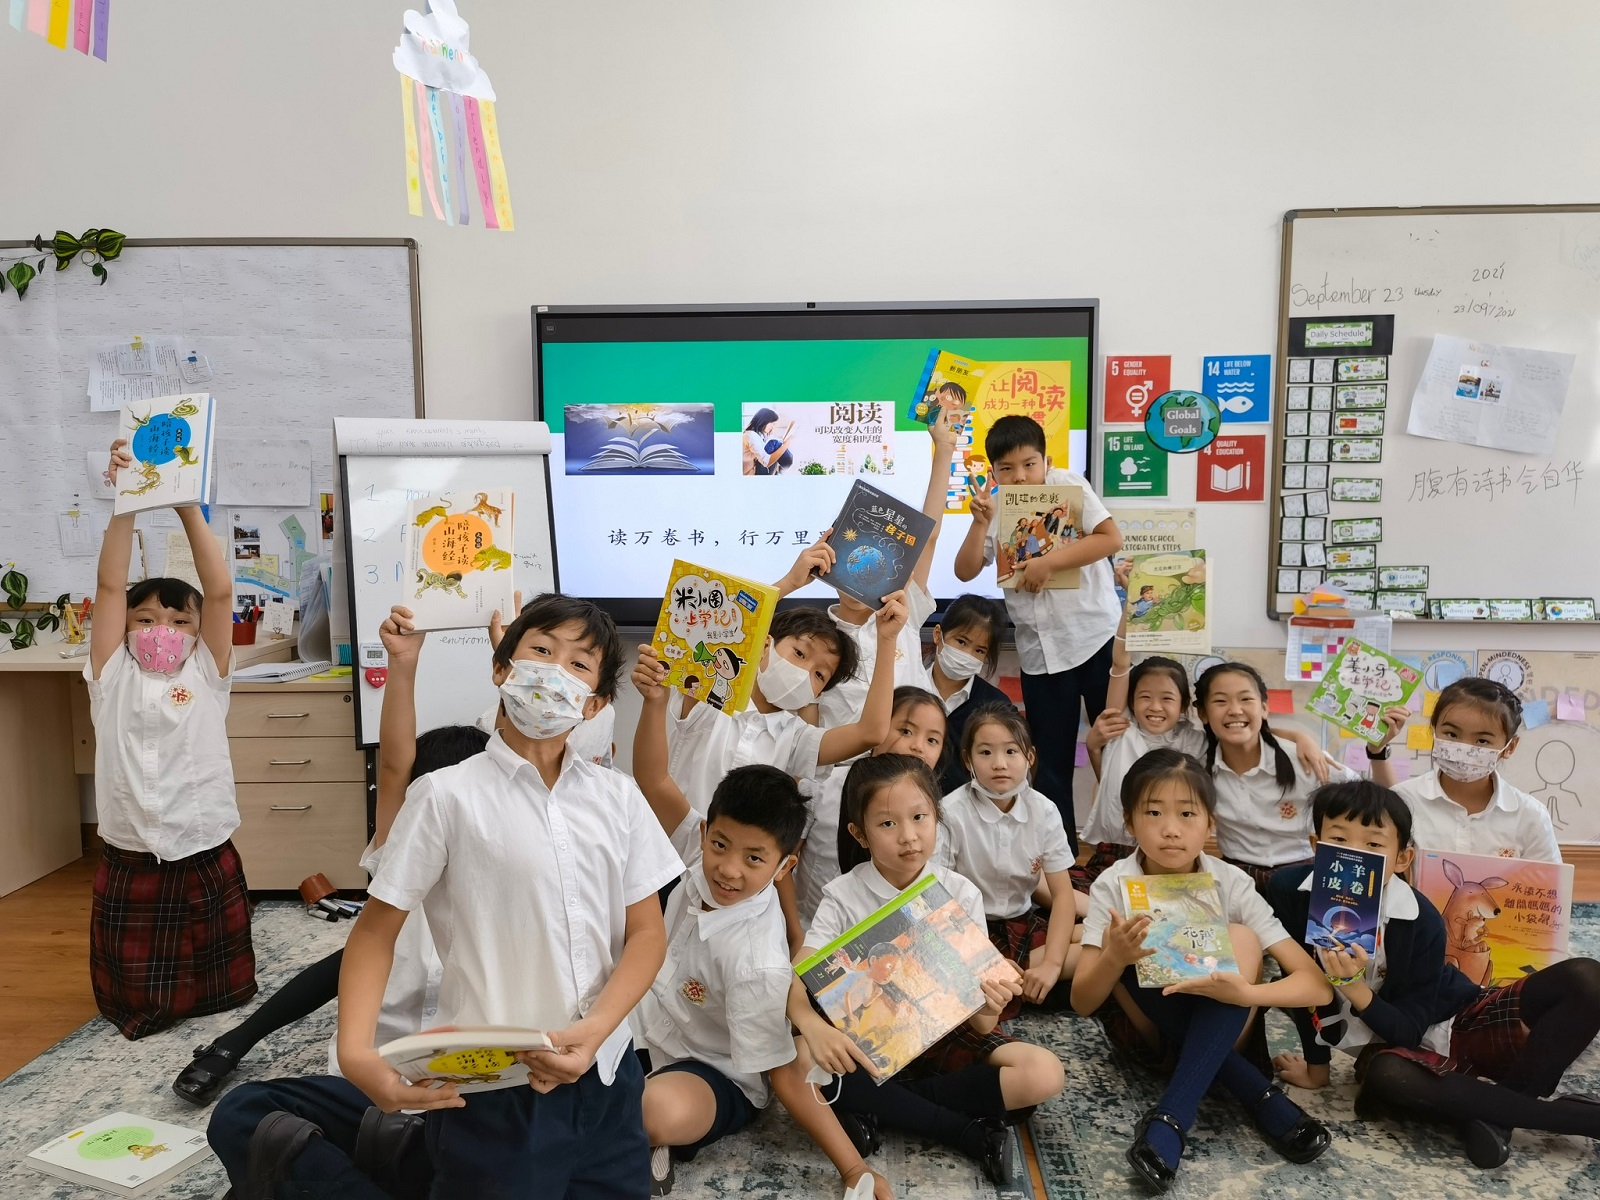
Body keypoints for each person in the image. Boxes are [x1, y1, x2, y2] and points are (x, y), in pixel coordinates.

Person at [239, 594, 683, 1197]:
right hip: (498, 1086)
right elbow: (374, 932)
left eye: (580, 665)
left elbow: (648, 934)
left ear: (596, 703)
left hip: (608, 1074)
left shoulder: (619, 797)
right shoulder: (446, 796)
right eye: (542, 651)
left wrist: (600, 1028)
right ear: (502, 669)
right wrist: (356, 1052)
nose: (556, 672)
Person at [184, 604, 486, 1107]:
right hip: (386, 1049)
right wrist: (402, 667)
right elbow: (394, 764)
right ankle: (233, 1044)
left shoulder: (507, 851)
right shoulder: (402, 844)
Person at [1268, 780, 1600, 1169]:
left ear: (1403, 857)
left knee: (1588, 978)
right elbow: (1306, 987)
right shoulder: (1291, 891)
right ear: (1316, 845)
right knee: (1388, 1074)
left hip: (1462, 1020)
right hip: (1389, 1054)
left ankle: (1497, 1111)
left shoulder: (1421, 919)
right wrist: (1317, 1068)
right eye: (1339, 840)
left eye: (1374, 845)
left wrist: (1353, 986)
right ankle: (1576, 1119)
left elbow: (1411, 1025)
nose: (1355, 856)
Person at [775, 755, 1065, 1186]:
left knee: (1044, 1075)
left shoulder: (959, 892)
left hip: (943, 1033)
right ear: (860, 834)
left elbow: (982, 1025)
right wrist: (810, 1025)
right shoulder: (843, 894)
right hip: (868, 1046)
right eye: (888, 824)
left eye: (919, 817)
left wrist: (991, 999)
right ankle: (962, 1129)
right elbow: (802, 971)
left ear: (937, 817)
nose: (909, 837)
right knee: (799, 1060)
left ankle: (881, 1110)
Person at [1071, 748, 1334, 1192]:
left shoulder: (1231, 882)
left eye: (1187, 813)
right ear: (1130, 822)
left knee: (1243, 937)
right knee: (1129, 942)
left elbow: (1317, 987)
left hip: (1230, 1030)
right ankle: (1256, 1094)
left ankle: (1171, 1115)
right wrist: (1115, 957)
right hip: (1152, 1036)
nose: (1171, 829)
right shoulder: (1113, 883)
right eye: (1153, 812)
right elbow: (1081, 1003)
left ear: (1210, 823)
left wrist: (1245, 995)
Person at [86, 438, 255, 1040]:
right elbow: (110, 587)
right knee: (139, 974)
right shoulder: (111, 674)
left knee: (216, 966)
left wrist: (185, 501)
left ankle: (215, 998)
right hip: (133, 843)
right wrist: (127, 498)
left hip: (200, 834)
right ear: (125, 627)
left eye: (180, 621)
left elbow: (220, 592)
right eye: (147, 620)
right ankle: (140, 1006)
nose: (165, 631)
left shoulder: (207, 671)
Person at [634, 596, 904, 950]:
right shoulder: (714, 695)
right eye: (800, 654)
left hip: (739, 883)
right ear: (766, 643)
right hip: (669, 857)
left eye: (820, 675)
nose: (806, 673)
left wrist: (887, 641)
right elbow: (725, 625)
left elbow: (871, 732)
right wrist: (790, 583)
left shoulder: (795, 739)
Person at [629, 763, 808, 1197]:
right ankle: (626, 1135)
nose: (728, 869)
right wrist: (654, 704)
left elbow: (780, 1074)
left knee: (651, 1112)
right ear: (706, 832)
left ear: (784, 867)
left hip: (715, 1073)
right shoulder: (698, 852)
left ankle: (644, 1138)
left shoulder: (757, 961)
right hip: (643, 1028)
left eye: (754, 859)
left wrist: (853, 1167)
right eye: (720, 845)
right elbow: (653, 780)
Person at [952, 414, 1124, 847]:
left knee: (1119, 748)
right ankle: (1060, 860)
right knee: (1049, 764)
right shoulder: (995, 505)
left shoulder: (1069, 486)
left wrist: (1049, 562)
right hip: (1040, 654)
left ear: (1046, 460)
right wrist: (978, 523)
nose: (1021, 477)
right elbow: (965, 569)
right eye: (1007, 469)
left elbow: (1109, 539)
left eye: (1030, 464)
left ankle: (1127, 847)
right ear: (993, 471)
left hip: (1095, 637)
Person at [1082, 638, 1328, 888]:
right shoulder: (1120, 728)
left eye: (1167, 698)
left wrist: (1299, 736)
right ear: (1132, 702)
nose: (1155, 706)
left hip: (1173, 851)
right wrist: (1131, 605)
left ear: (1184, 707)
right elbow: (1120, 663)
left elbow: (1240, 731)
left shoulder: (1194, 741)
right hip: (1117, 849)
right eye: (1145, 697)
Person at [773, 404, 957, 732]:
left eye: (873, 568)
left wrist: (944, 448)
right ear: (830, 555)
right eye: (852, 560)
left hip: (914, 764)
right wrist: (788, 582)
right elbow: (808, 727)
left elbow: (928, 537)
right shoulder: (819, 640)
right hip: (846, 773)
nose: (861, 576)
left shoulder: (901, 610)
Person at [1196, 661, 1400, 892]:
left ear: (1264, 708)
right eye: (1220, 701)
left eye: (1246, 699)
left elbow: (1384, 800)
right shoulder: (1198, 766)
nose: (1234, 709)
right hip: (1238, 878)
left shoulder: (1303, 759)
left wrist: (1378, 751)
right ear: (1203, 712)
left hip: (1305, 878)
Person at [936, 705, 1081, 1017]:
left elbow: (1063, 895)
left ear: (1029, 757)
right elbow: (938, 903)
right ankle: (1023, 986)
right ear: (968, 760)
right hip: (969, 931)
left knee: (1099, 948)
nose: (999, 764)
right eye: (985, 752)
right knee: (973, 987)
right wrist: (982, 958)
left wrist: (1053, 965)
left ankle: (1032, 981)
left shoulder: (1044, 810)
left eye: (1011, 751)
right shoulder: (950, 812)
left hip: (1022, 923)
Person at [793, 685, 948, 926]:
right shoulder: (824, 786)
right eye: (906, 731)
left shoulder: (932, 811)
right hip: (812, 926)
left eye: (932, 739)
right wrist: (794, 935)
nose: (918, 746)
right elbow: (784, 862)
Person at [1390, 676, 1560, 861]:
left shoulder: (1530, 816)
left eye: (1482, 741)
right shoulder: (1402, 800)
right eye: (1452, 734)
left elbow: (1550, 885)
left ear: (1509, 747)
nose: (1464, 747)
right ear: (1434, 731)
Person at [923, 593, 1014, 795]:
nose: (968, 655)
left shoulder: (997, 706)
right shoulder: (909, 688)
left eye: (980, 650)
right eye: (962, 642)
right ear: (938, 635)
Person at [744, 408, 795, 475]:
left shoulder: (759, 435)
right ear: (764, 420)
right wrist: (787, 443)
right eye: (772, 423)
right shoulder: (751, 435)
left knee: (776, 443)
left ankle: (784, 469)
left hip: (756, 468)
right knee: (774, 443)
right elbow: (767, 462)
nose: (773, 426)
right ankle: (787, 468)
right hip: (752, 473)